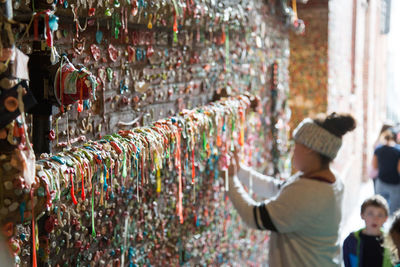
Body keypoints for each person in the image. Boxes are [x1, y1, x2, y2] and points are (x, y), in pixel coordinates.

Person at [225, 112, 356, 266]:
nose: (293, 151)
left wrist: (229, 178)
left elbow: (253, 217)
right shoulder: (328, 180)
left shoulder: (309, 192)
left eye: (296, 145)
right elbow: (275, 188)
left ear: (309, 149)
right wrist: (239, 170)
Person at [342, 195, 392, 267]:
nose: (375, 219)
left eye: (380, 215)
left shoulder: (391, 242)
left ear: (386, 218)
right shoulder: (351, 241)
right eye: (370, 214)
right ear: (362, 215)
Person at [372, 129, 400, 215]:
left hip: (381, 182)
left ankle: (380, 226)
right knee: (394, 211)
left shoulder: (378, 149)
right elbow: (399, 170)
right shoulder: (398, 151)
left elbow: (374, 166)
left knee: (379, 207)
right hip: (395, 184)